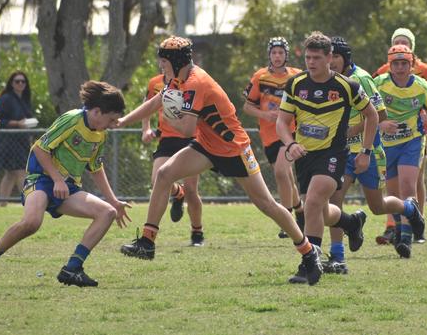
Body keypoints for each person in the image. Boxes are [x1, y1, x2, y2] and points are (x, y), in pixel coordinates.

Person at [117, 36, 325, 285]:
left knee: (267, 205)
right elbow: (156, 101)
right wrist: (120, 122)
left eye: (163, 61)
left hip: (233, 148)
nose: (161, 66)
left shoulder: (195, 83)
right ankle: (147, 243)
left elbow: (185, 129)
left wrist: (169, 114)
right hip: (207, 145)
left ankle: (309, 254)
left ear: (174, 60)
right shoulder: (177, 77)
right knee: (164, 174)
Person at [0, 81, 132, 287]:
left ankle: (72, 268)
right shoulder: (72, 119)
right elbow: (40, 149)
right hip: (41, 178)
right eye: (111, 119)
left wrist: (114, 201)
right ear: (97, 111)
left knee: (107, 212)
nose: (113, 125)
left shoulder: (100, 134)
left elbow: (95, 168)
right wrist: (57, 179)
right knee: (32, 223)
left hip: (67, 187)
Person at [277, 31, 372, 283]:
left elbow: (372, 116)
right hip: (305, 155)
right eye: (308, 57)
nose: (311, 62)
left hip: (333, 153)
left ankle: (309, 263)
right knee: (315, 209)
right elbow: (282, 122)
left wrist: (366, 151)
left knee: (313, 202)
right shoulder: (296, 85)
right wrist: (291, 144)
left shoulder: (347, 86)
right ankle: (351, 222)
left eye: (317, 58)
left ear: (330, 57)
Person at [324, 36, 424, 274]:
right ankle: (337, 257)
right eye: (329, 57)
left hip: (369, 152)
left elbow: (379, 114)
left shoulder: (362, 79)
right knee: (334, 202)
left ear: (346, 58)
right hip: (343, 154)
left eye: (335, 57)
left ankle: (409, 209)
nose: (331, 61)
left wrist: (355, 137)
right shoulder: (327, 79)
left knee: (378, 206)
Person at [373, 28, 427, 244]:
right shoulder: (382, 75)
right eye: (397, 42)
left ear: (412, 49)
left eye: (406, 43)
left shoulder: (425, 72)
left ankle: (416, 225)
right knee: (393, 185)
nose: (400, 65)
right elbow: (366, 102)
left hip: (416, 132)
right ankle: (394, 227)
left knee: (413, 179)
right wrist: (380, 121)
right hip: (388, 138)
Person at [372, 44, 427, 258]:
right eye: (396, 63)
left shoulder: (423, 87)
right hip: (386, 145)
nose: (400, 68)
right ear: (389, 65)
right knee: (392, 194)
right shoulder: (378, 84)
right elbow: (366, 111)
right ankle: (400, 230)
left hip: (412, 141)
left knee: (408, 187)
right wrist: (381, 124)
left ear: (411, 65)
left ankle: (406, 240)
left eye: (404, 63)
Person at [243, 36, 304, 239]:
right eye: (274, 52)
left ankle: (286, 218)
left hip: (290, 133)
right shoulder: (260, 77)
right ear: (269, 55)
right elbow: (247, 106)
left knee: (280, 172)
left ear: (286, 55)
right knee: (286, 176)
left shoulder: (296, 76)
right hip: (269, 135)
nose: (277, 56)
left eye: (280, 52)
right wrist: (264, 115)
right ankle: (300, 210)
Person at [142, 64, 205, 246]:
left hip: (190, 138)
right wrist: (146, 128)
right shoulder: (155, 83)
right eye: (163, 59)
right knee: (157, 181)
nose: (166, 63)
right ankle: (178, 194)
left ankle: (197, 232)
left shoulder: (193, 82)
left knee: (192, 190)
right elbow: (147, 106)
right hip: (167, 139)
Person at [0, 71, 35, 207]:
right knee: (20, 172)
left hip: (21, 141)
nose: (20, 84)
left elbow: (26, 119)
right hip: (9, 141)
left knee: (11, 174)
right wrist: (16, 123)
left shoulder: (24, 99)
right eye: (17, 81)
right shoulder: (6, 98)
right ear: (11, 83)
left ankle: (3, 203)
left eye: (23, 81)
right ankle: (29, 203)